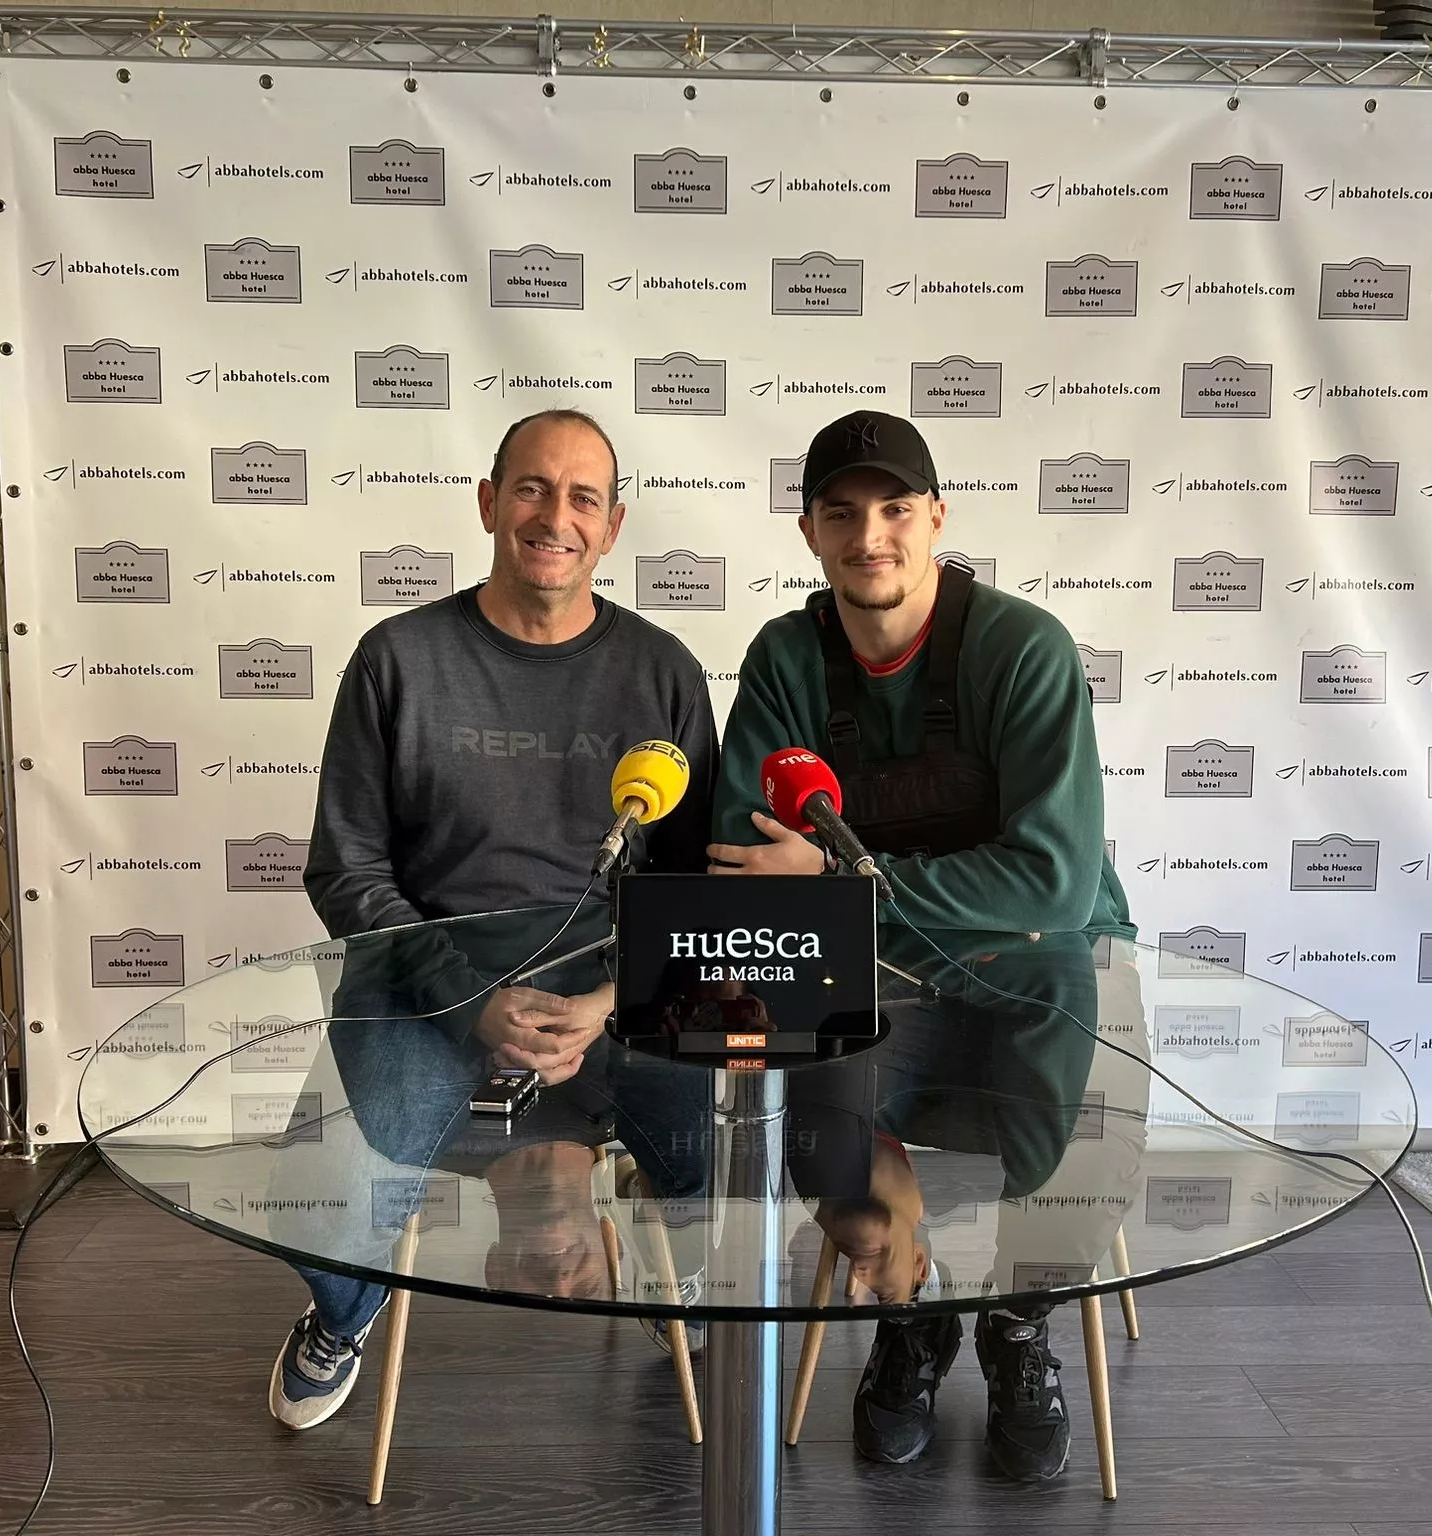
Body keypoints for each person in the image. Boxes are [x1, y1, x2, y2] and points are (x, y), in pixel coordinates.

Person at [271, 407, 718, 1431]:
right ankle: (346, 1307)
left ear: (611, 528)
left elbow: (693, 885)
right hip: (430, 990)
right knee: (311, 1192)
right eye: (530, 488)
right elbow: (346, 870)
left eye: (581, 498)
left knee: (726, 1147)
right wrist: (469, 998)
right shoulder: (397, 658)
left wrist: (614, 999)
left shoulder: (663, 673)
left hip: (610, 996)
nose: (552, 517)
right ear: (487, 501)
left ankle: (668, 1278)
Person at [708, 409, 1134, 1483]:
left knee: (1082, 1137)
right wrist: (854, 904)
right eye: (841, 514)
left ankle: (1017, 1322)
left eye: (895, 509)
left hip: (1043, 958)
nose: (870, 537)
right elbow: (747, 871)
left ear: (935, 518)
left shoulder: (1019, 649)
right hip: (869, 968)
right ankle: (909, 1308)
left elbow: (1050, 882)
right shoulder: (784, 660)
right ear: (808, 532)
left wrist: (842, 882)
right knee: (817, 1143)